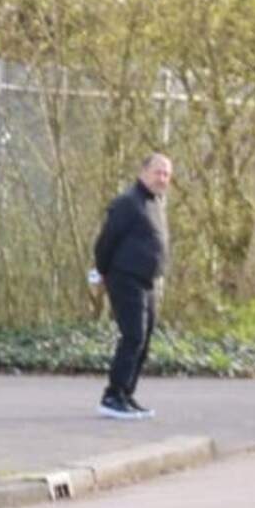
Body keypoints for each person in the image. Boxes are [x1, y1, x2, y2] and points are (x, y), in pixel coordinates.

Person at [87, 153, 172, 422]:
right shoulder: (127, 203)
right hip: (125, 277)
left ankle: (125, 393)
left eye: (167, 174)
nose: (162, 179)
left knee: (144, 338)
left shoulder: (156, 204)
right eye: (158, 172)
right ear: (143, 172)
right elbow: (106, 241)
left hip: (147, 281)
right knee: (133, 335)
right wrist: (101, 271)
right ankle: (111, 396)